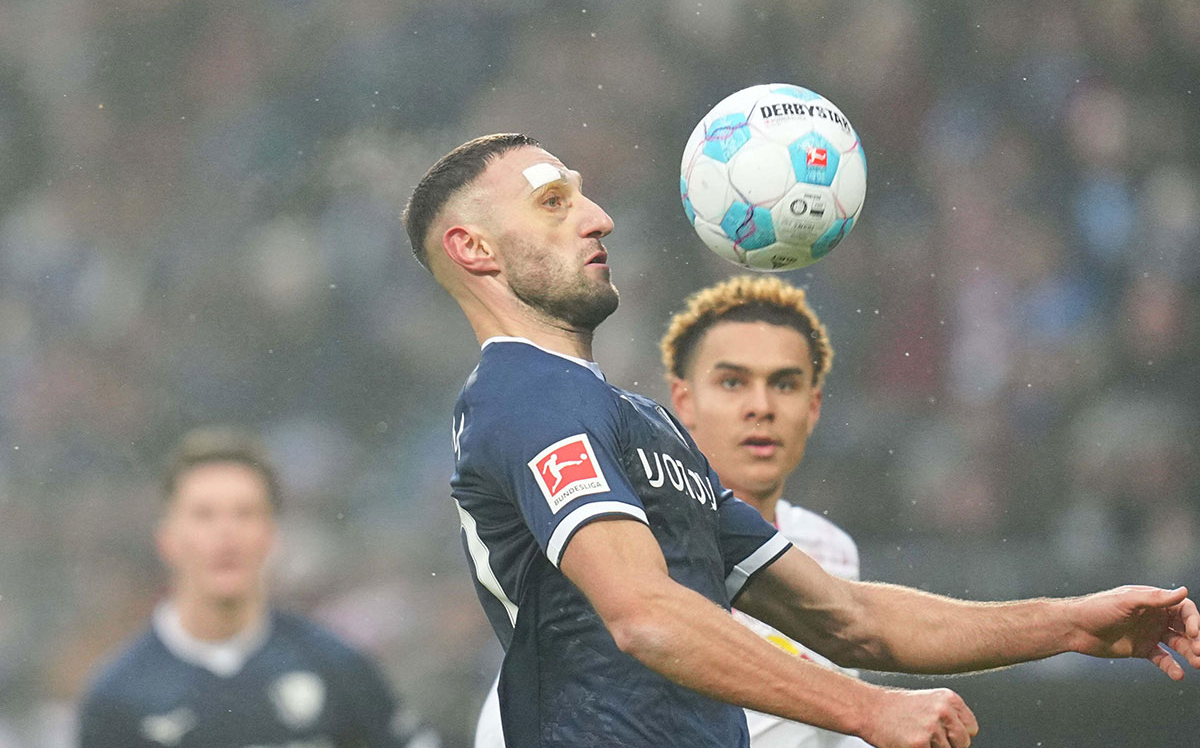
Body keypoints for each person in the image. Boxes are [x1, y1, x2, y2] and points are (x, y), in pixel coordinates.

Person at [403, 132, 1200, 748]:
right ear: (474, 249)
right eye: (553, 203)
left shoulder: (642, 422)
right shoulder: (522, 394)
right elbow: (645, 614)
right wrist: (868, 710)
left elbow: (849, 619)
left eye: (584, 195)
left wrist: (1074, 625)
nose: (597, 215)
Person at [472, 273, 867, 748]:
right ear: (683, 400)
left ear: (813, 405)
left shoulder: (831, 550)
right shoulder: (626, 552)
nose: (760, 407)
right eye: (731, 382)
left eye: (784, 384)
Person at [77, 426, 440, 748]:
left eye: (245, 513)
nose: (226, 534)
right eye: (204, 514)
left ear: (272, 535)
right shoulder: (119, 695)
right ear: (168, 538)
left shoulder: (336, 666)